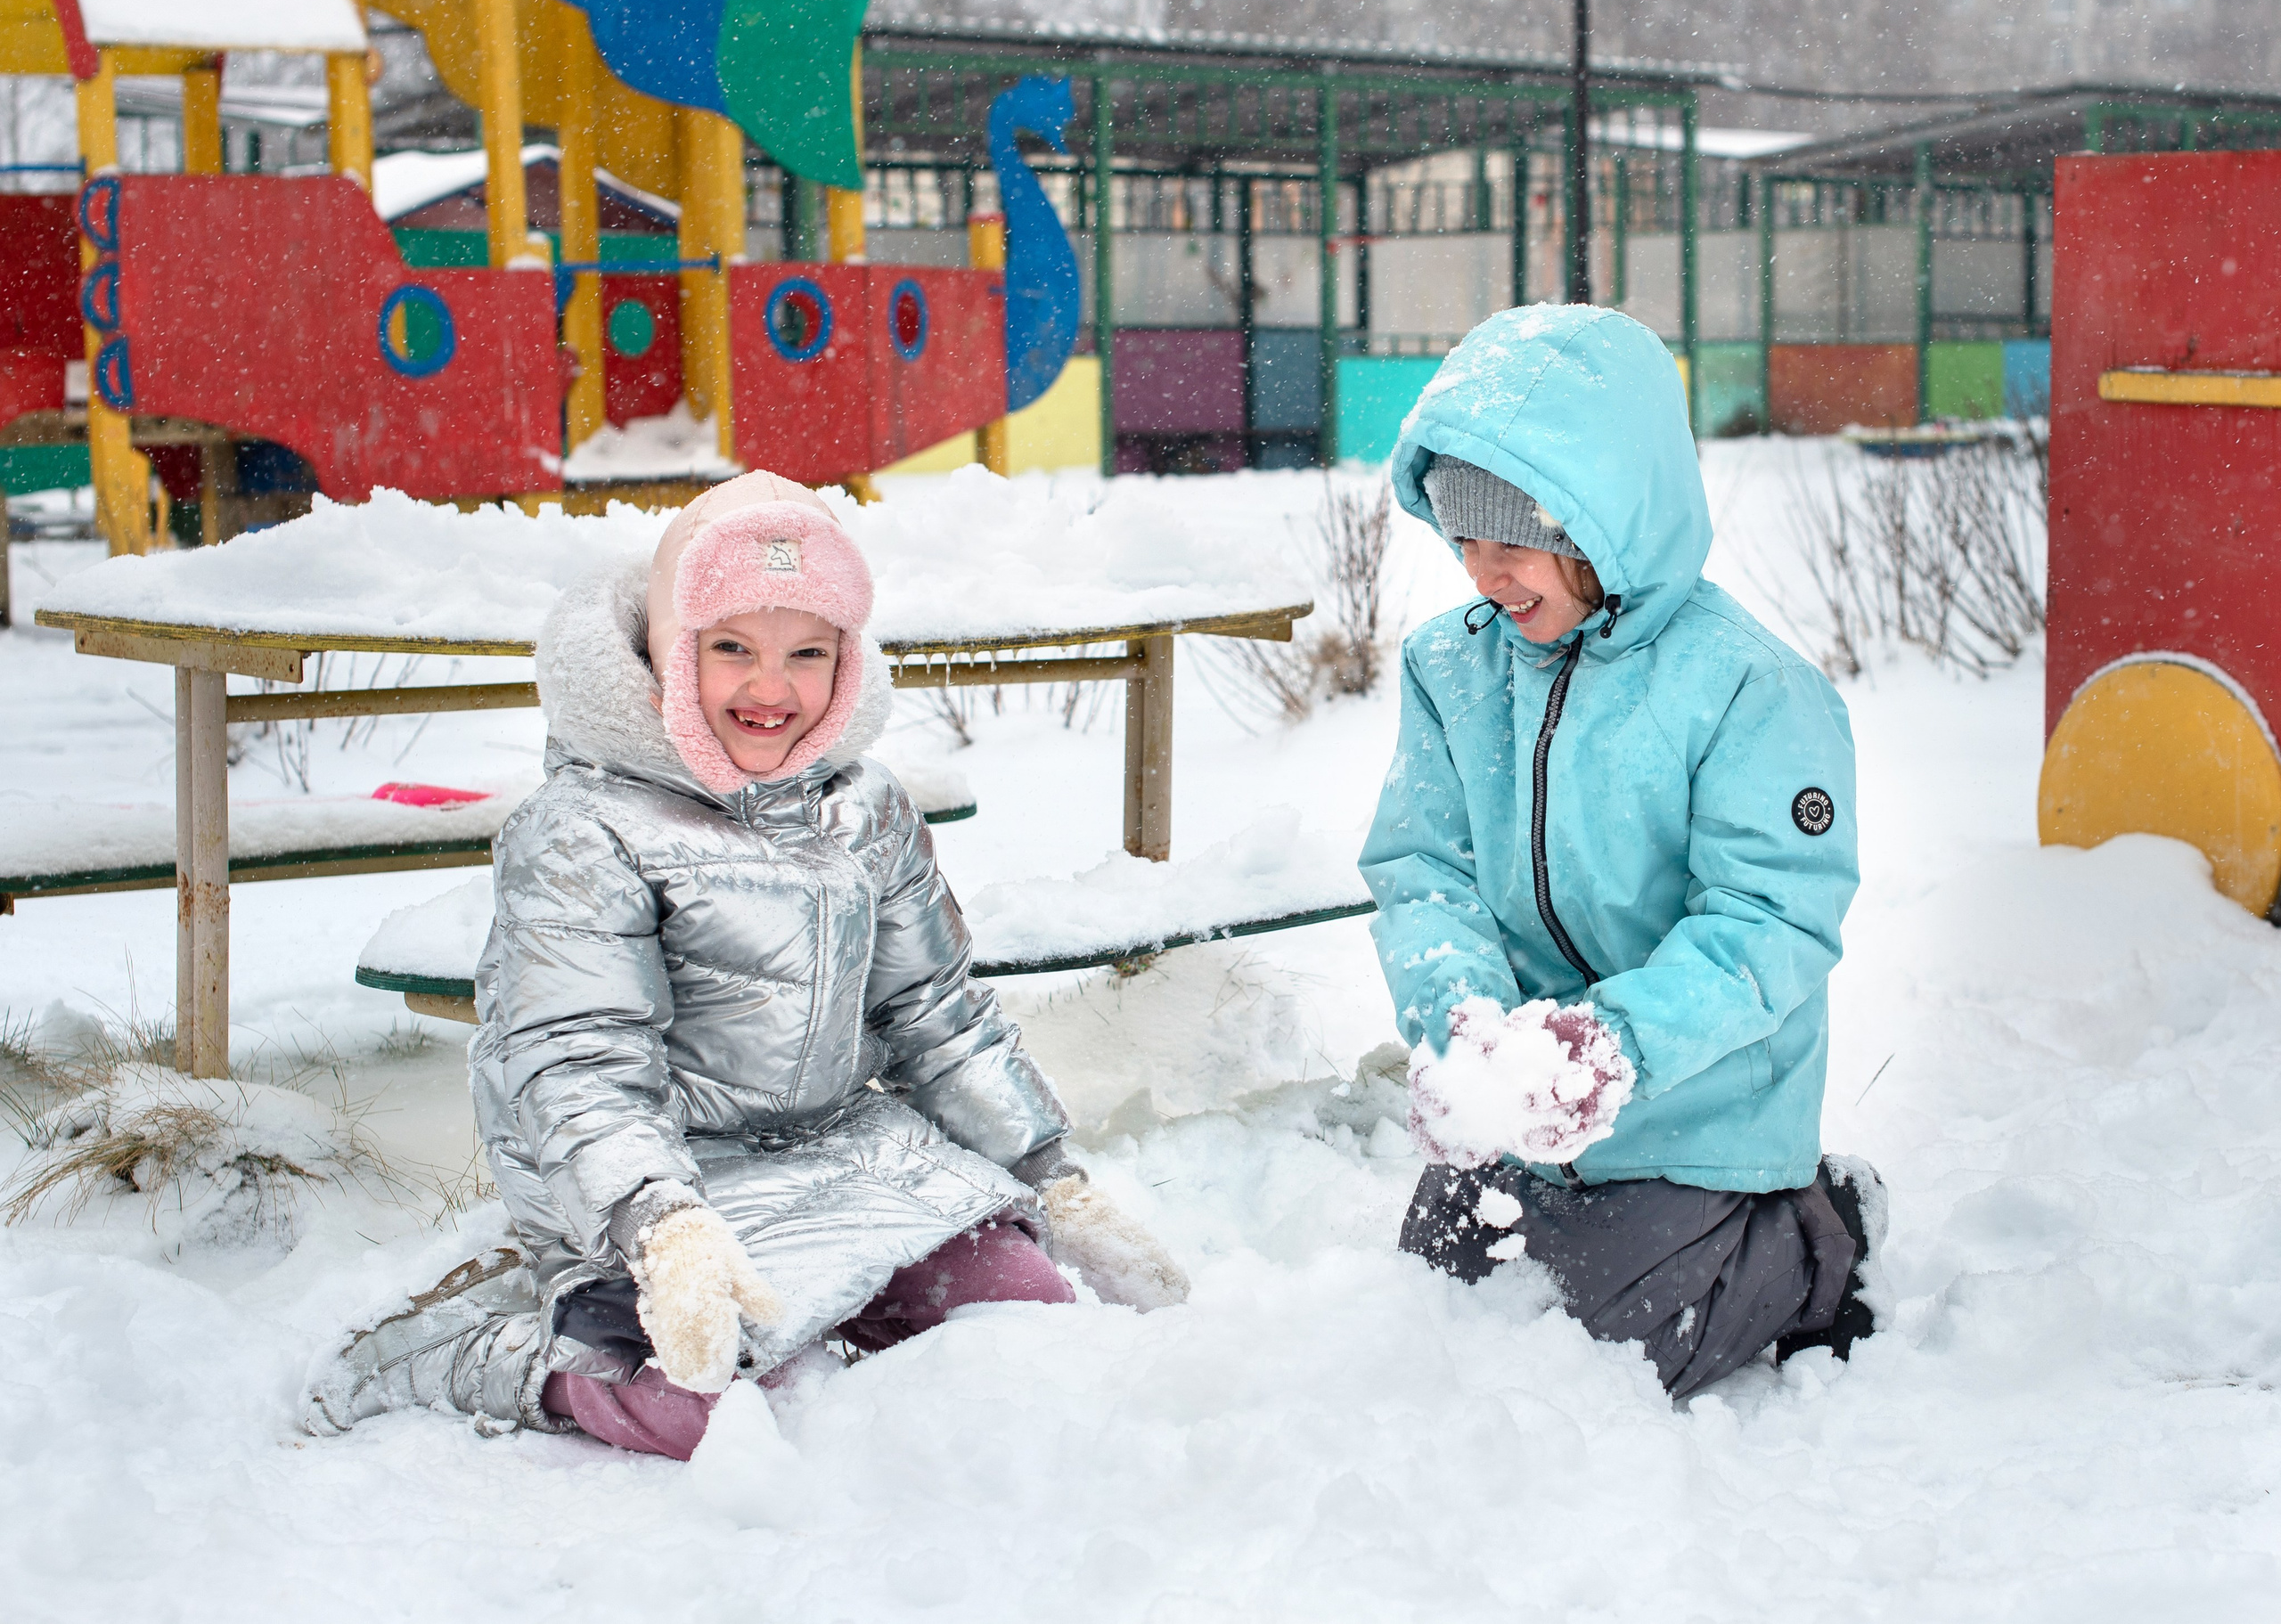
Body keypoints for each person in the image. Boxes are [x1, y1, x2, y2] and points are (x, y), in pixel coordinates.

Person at [306, 471, 1187, 1457]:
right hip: (655, 1183)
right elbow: (575, 1061)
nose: (772, 690)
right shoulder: (585, 829)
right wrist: (662, 1226)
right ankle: (497, 1352)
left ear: (847, 664)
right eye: (733, 651)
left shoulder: (867, 807)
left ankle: (842, 1312)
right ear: (670, 659)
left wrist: (1048, 1172)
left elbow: (936, 1013)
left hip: (849, 1151)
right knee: (731, 1411)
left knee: (1028, 1312)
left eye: (807, 653)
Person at [1361, 304, 1884, 1399]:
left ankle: (1809, 1244)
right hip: (1523, 1089)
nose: (1482, 572)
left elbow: (1770, 922)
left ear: (1603, 529)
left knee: (1625, 1347)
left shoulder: (1745, 688)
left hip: (1694, 1096)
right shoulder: (1450, 669)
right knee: (1447, 1289)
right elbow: (1424, 869)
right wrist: (1461, 1022)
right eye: (1463, 539)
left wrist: (1608, 1051)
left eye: (1514, 542)